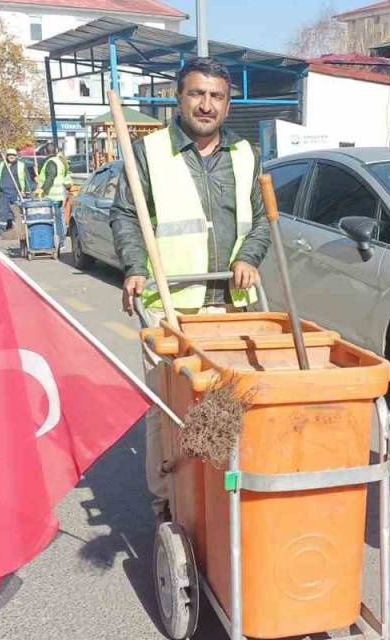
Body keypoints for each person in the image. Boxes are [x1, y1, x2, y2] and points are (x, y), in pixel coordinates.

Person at [110, 57, 272, 521]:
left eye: (216, 96)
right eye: (196, 94)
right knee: (168, 411)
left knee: (222, 406)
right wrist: (134, 267)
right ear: (179, 97)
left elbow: (260, 221)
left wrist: (248, 257)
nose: (206, 105)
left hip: (231, 306)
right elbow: (126, 215)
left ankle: (214, 496)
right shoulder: (150, 152)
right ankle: (169, 500)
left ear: (227, 102)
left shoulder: (245, 154)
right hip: (170, 307)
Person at [36, 144, 70, 255]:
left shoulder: (51, 163)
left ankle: (57, 242)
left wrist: (42, 189)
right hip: (59, 195)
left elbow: (50, 177)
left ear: (46, 151)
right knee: (59, 219)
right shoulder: (60, 161)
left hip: (51, 196)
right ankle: (61, 241)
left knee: (54, 220)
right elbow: (64, 177)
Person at [0, 148, 33, 235]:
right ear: (7, 156)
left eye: (13, 155)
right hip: (4, 192)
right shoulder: (2, 165)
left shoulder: (20, 165)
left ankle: (18, 229)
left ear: (16, 156)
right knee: (3, 211)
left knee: (17, 212)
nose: (11, 157)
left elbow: (26, 179)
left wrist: (26, 191)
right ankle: (1, 229)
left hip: (16, 192)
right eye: (10, 155)